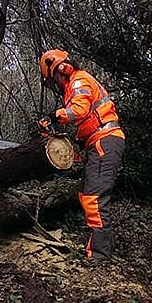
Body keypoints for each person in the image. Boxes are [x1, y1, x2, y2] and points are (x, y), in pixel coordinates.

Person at [39, 49, 125, 261]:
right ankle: (103, 246)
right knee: (87, 193)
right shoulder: (73, 85)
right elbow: (87, 120)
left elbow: (79, 110)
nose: (55, 84)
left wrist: (54, 116)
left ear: (60, 68)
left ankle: (99, 255)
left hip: (105, 139)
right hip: (97, 140)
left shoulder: (79, 81)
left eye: (53, 79)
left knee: (93, 198)